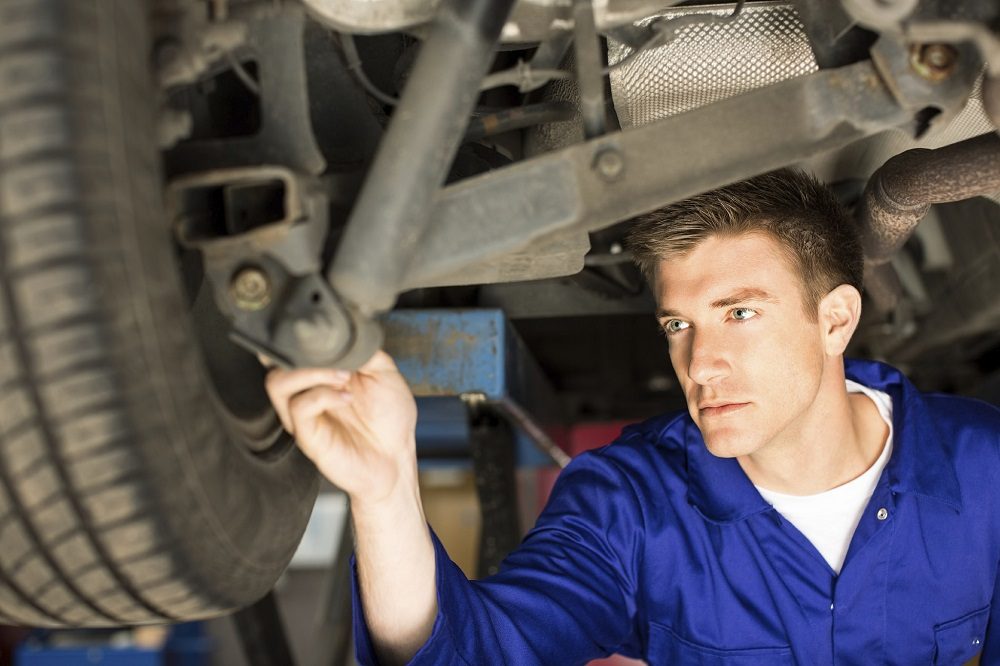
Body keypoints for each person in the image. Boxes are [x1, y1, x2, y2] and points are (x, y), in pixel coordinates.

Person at [264, 168, 1000, 665]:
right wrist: (384, 485)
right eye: (678, 325)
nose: (700, 362)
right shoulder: (627, 506)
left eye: (739, 313)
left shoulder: (987, 471)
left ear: (835, 320)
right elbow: (475, 652)